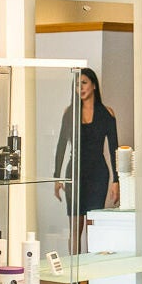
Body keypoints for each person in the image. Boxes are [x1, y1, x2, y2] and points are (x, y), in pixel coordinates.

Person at [53, 67, 120, 253]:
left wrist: (116, 180)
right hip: (74, 172)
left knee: (92, 228)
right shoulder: (70, 112)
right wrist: (57, 177)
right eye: (76, 84)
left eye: (83, 83)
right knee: (75, 228)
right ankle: (75, 281)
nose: (80, 88)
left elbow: (115, 148)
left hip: (98, 174)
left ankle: (90, 281)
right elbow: (61, 146)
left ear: (94, 85)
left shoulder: (107, 113)